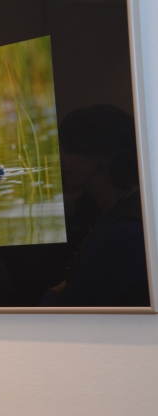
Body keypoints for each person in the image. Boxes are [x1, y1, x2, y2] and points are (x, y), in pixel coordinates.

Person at [41, 105, 149, 306]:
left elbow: (69, 310)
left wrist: (53, 292)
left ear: (106, 156)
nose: (60, 159)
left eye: (70, 150)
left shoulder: (123, 233)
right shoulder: (120, 208)